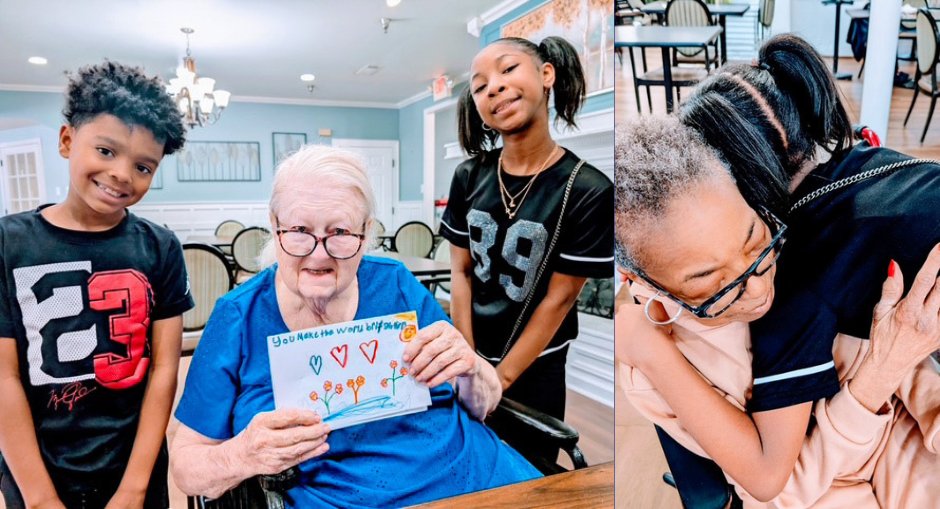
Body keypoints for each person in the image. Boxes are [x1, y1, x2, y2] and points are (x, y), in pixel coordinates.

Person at [170, 145, 540, 508]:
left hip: (484, 478)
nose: (319, 254)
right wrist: (242, 455)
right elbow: (186, 468)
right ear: (275, 224)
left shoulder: (396, 284)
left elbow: (482, 403)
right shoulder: (238, 316)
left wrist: (471, 367)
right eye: (300, 229)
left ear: (365, 232)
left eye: (341, 232)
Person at [615, 115, 940, 507]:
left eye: (753, 240)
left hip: (895, 429)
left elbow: (889, 343)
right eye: (710, 281)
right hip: (819, 490)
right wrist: (651, 353)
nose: (756, 288)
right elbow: (779, 491)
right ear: (644, 282)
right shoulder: (656, 362)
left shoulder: (791, 239)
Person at [0, 62, 192, 508]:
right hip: (38, 470)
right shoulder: (9, 243)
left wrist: (135, 488)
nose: (123, 174)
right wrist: (40, 497)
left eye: (144, 166)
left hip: (132, 469)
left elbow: (165, 369)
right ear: (67, 141)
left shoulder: (160, 247)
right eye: (107, 151)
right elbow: (4, 374)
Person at [441, 35, 613, 430]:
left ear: (546, 74)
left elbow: (561, 297)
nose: (494, 87)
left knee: (533, 474)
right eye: (480, 86)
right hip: (471, 355)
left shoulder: (587, 189)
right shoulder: (467, 177)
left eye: (507, 69)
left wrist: (498, 381)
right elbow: (461, 273)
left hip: (539, 365)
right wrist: (468, 364)